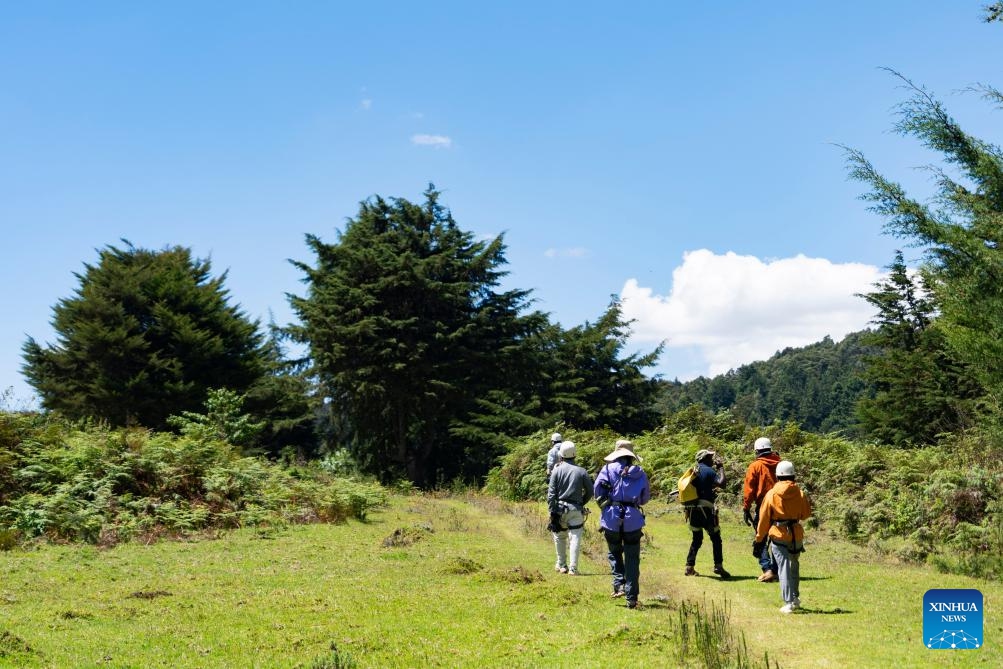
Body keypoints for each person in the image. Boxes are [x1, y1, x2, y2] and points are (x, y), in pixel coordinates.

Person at [594, 440, 650, 609]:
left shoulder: (607, 470)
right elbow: (645, 498)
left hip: (611, 517)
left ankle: (619, 584)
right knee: (632, 558)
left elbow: (598, 491)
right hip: (633, 519)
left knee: (614, 551)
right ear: (631, 456)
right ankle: (632, 598)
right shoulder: (641, 474)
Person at [754, 460, 812, 614]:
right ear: (793, 475)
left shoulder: (772, 494)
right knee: (794, 565)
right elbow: (806, 514)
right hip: (796, 534)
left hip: (778, 534)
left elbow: (764, 518)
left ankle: (788, 602)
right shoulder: (799, 492)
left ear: (778, 475)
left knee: (783, 568)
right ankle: (795, 598)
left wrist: (759, 538)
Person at [547, 441, 593, 575]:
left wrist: (552, 510)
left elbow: (551, 494)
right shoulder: (582, 471)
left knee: (559, 537)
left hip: (559, 509)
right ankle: (573, 568)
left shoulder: (556, 470)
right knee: (575, 538)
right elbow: (590, 491)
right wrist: (581, 503)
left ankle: (562, 565)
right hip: (576, 509)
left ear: (561, 455)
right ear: (574, 454)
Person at [683, 449, 730, 579]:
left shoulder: (693, 471)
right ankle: (718, 566)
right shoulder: (709, 471)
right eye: (710, 457)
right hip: (706, 509)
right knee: (715, 537)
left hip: (692, 510)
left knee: (697, 539)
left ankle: (689, 567)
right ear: (704, 458)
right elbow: (722, 484)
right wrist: (720, 468)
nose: (712, 460)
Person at [743, 437, 782, 582]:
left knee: (761, 538)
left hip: (763, 506)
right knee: (777, 539)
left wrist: (746, 508)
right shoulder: (781, 464)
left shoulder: (755, 466)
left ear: (757, 450)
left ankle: (767, 569)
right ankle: (775, 570)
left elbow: (749, 489)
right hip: (780, 507)